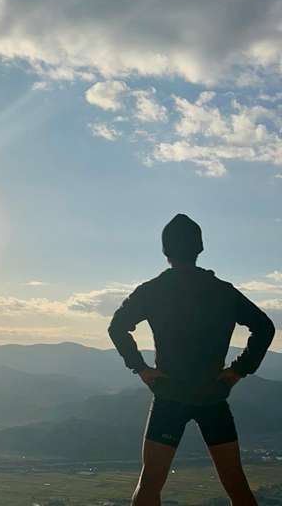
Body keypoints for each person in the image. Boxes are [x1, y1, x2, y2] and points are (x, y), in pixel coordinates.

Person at [108, 214, 275, 506]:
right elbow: (265, 327)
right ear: (199, 248)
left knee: (150, 484)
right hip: (213, 393)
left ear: (165, 251)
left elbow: (117, 327)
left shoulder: (153, 290)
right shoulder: (223, 291)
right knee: (236, 482)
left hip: (169, 394)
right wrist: (238, 370)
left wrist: (141, 368)